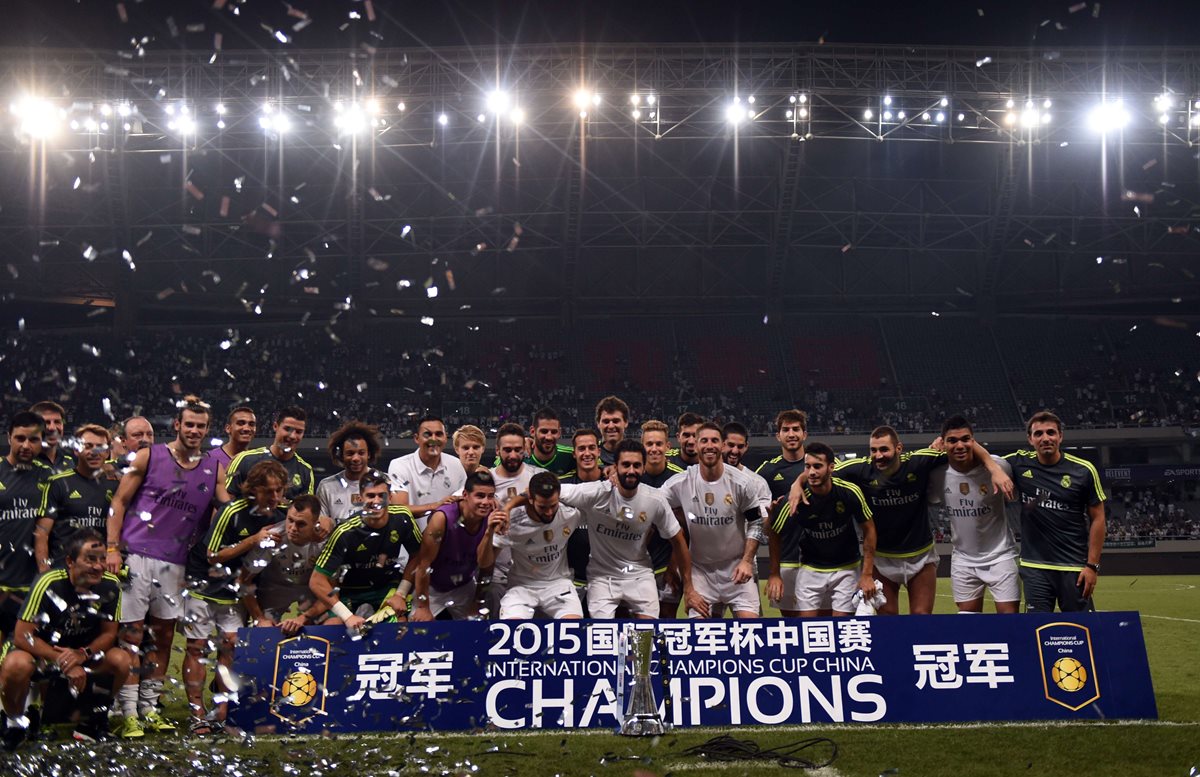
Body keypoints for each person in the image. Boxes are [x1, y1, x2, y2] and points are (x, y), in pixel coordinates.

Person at [791, 425, 1011, 615]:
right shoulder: (859, 470)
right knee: (888, 621)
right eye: (873, 450)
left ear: (899, 448)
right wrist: (797, 484)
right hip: (882, 559)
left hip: (920, 557)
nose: (878, 456)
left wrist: (993, 468)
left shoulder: (919, 462)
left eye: (884, 449)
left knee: (921, 618)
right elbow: (821, 468)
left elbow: (965, 445)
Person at [104, 396, 221, 738]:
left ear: (207, 430)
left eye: (201, 426)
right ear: (178, 426)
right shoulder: (149, 455)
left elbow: (226, 507)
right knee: (131, 635)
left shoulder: (213, 467)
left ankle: (150, 707)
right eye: (190, 424)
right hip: (137, 555)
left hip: (176, 563)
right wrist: (113, 548)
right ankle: (129, 713)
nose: (195, 430)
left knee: (164, 637)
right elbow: (119, 501)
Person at [538, 439, 704, 619]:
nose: (631, 471)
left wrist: (689, 587)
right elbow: (544, 489)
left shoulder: (654, 499)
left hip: (640, 574)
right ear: (614, 467)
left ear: (643, 468)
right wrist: (510, 508)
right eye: (625, 465)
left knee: (647, 633)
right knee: (604, 636)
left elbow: (678, 539)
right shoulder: (595, 493)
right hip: (602, 577)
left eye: (636, 465)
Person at [182, 459, 288, 735]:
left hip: (235, 590)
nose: (274, 497)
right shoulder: (232, 511)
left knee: (230, 648)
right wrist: (253, 539)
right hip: (203, 584)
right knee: (197, 647)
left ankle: (221, 714)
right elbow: (212, 555)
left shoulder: (281, 515)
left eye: (279, 491)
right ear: (253, 490)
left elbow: (314, 517)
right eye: (268, 491)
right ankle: (197, 716)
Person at [0, 530, 130, 748]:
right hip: (41, 653)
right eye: (90, 559)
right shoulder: (48, 582)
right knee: (16, 664)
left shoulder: (110, 585)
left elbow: (109, 633)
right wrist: (63, 660)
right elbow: (23, 636)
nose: (98, 566)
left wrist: (82, 654)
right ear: (70, 561)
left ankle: (92, 721)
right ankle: (14, 722)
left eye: (101, 560)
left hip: (82, 653)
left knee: (121, 659)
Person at [662, 422, 769, 618]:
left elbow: (756, 522)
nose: (709, 445)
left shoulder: (742, 483)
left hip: (736, 568)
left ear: (722, 446)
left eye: (714, 441)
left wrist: (746, 561)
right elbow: (651, 503)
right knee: (702, 638)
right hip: (700, 571)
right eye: (704, 440)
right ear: (696, 445)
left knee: (751, 632)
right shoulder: (680, 483)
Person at [1006, 411, 1106, 612]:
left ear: (1060, 436)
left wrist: (1092, 566)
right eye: (1038, 434)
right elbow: (983, 459)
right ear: (1030, 439)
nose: (1045, 438)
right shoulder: (1018, 463)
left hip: (1074, 568)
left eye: (1051, 432)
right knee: (1036, 631)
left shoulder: (1083, 470)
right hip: (1035, 568)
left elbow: (1098, 518)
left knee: (1082, 630)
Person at [769, 443, 876, 617]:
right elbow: (774, 532)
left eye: (817, 466)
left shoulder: (849, 492)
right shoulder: (796, 498)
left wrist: (867, 574)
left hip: (846, 568)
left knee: (842, 628)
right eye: (808, 466)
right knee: (808, 629)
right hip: (811, 568)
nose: (811, 472)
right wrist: (774, 574)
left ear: (831, 467)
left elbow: (869, 529)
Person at [928, 416, 1019, 613]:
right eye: (952, 440)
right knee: (968, 624)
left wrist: (993, 468)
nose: (960, 445)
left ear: (973, 441)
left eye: (965, 439)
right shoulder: (937, 474)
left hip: (1000, 556)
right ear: (943, 443)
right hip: (963, 559)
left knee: (1010, 622)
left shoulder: (998, 467)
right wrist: (930, 453)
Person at [310, 471, 422, 631]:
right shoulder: (344, 532)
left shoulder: (403, 518)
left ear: (390, 498)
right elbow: (316, 580)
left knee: (400, 624)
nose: (376, 501)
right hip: (349, 592)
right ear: (360, 498)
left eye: (381, 496)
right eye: (370, 496)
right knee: (332, 627)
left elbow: (418, 555)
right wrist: (347, 616)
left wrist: (401, 594)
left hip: (387, 588)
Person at [480, 472, 583, 620]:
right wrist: (489, 533)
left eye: (553, 506)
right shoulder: (511, 523)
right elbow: (485, 563)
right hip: (521, 587)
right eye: (542, 507)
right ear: (530, 500)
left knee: (574, 628)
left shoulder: (570, 514)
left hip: (559, 585)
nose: (548, 512)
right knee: (511, 632)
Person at [410, 470, 497, 621]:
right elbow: (423, 564)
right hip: (432, 586)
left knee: (477, 630)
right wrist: (423, 607)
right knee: (418, 631)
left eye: (490, 496)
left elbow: (487, 569)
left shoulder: (492, 517)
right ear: (465, 495)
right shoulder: (441, 519)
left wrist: (477, 603)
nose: (485, 502)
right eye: (480, 496)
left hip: (464, 585)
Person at [240, 494, 328, 634]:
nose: (293, 528)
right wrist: (260, 618)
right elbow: (244, 579)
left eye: (301, 524)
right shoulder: (272, 538)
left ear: (316, 522)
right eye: (290, 520)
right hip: (274, 592)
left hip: (309, 592)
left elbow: (331, 591)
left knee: (326, 627)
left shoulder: (324, 542)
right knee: (265, 634)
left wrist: (304, 617)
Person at [36, 424, 119, 570]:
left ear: (107, 452)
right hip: (64, 570)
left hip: (100, 570)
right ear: (76, 450)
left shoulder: (117, 486)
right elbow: (42, 533)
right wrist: (44, 571)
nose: (94, 452)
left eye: (100, 447)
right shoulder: (58, 483)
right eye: (87, 446)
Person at [0, 412, 52, 642]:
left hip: (33, 585)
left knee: (27, 660)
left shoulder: (50, 476)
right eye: (20, 438)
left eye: (33, 439)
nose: (26, 445)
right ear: (8, 437)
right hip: (1, 581)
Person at [757, 409, 809, 616]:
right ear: (778, 435)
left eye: (796, 429)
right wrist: (768, 517)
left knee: (824, 623)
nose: (791, 434)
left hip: (821, 558)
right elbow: (758, 514)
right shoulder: (768, 471)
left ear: (804, 434)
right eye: (785, 430)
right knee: (792, 625)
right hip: (787, 558)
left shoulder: (818, 466)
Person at [638, 420, 686, 617]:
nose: (654, 449)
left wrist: (674, 566)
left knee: (667, 619)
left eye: (659, 444)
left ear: (668, 446)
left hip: (668, 562)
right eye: (649, 444)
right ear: (643, 446)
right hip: (637, 566)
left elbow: (684, 529)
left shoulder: (681, 479)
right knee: (638, 622)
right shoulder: (632, 476)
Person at [386, 415, 466, 526]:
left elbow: (464, 505)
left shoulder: (456, 464)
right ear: (416, 438)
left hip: (445, 540)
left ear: (445, 437)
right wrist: (436, 505)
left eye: (438, 434)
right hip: (410, 541)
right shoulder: (399, 466)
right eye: (427, 434)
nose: (433, 439)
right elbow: (398, 510)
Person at [222, 406, 313, 502]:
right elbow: (225, 504)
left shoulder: (305, 470)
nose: (293, 436)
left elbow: (306, 511)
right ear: (275, 426)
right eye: (287, 429)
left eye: (299, 432)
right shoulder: (245, 459)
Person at [561, 429, 603, 613]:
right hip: (571, 578)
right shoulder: (561, 486)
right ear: (574, 453)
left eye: (592, 448)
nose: (587, 453)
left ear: (599, 451)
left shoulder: (614, 483)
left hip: (606, 578)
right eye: (582, 448)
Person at [317, 420, 382, 523]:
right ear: (341, 455)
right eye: (350, 453)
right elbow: (321, 525)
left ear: (368, 454)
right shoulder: (327, 486)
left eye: (361, 453)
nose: (355, 458)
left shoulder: (383, 481)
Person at [524, 407, 576, 477]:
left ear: (559, 433)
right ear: (532, 431)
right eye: (544, 431)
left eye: (554, 432)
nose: (549, 437)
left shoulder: (571, 455)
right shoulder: (520, 457)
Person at [29, 401, 75, 475]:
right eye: (46, 422)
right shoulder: (23, 462)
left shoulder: (68, 461)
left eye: (57, 422)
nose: (52, 428)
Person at [210, 406, 257, 471]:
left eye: (251, 424)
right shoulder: (210, 458)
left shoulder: (256, 462)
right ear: (228, 428)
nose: (247, 428)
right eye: (240, 423)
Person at [594, 396, 630, 467]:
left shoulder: (637, 454)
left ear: (626, 422)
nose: (611, 426)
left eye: (616, 421)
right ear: (598, 424)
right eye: (606, 421)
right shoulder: (590, 456)